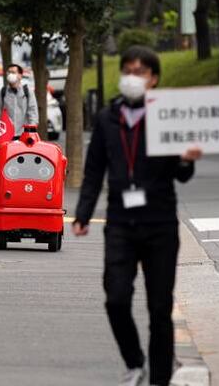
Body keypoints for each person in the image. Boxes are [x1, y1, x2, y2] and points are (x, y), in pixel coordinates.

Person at [72, 46, 203, 386]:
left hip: (159, 222)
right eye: (128, 70)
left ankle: (160, 378)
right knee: (115, 297)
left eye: (141, 72)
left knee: (160, 307)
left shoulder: (167, 116)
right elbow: (93, 169)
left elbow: (182, 175)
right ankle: (134, 362)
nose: (133, 77)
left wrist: (187, 158)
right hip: (119, 223)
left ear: (154, 79)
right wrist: (83, 214)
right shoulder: (106, 118)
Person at [0, 64, 38, 137]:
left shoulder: (27, 92)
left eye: (13, 72)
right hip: (6, 136)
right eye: (9, 72)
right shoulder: (2, 92)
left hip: (24, 135)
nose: (10, 75)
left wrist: (31, 132)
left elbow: (33, 113)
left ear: (20, 75)